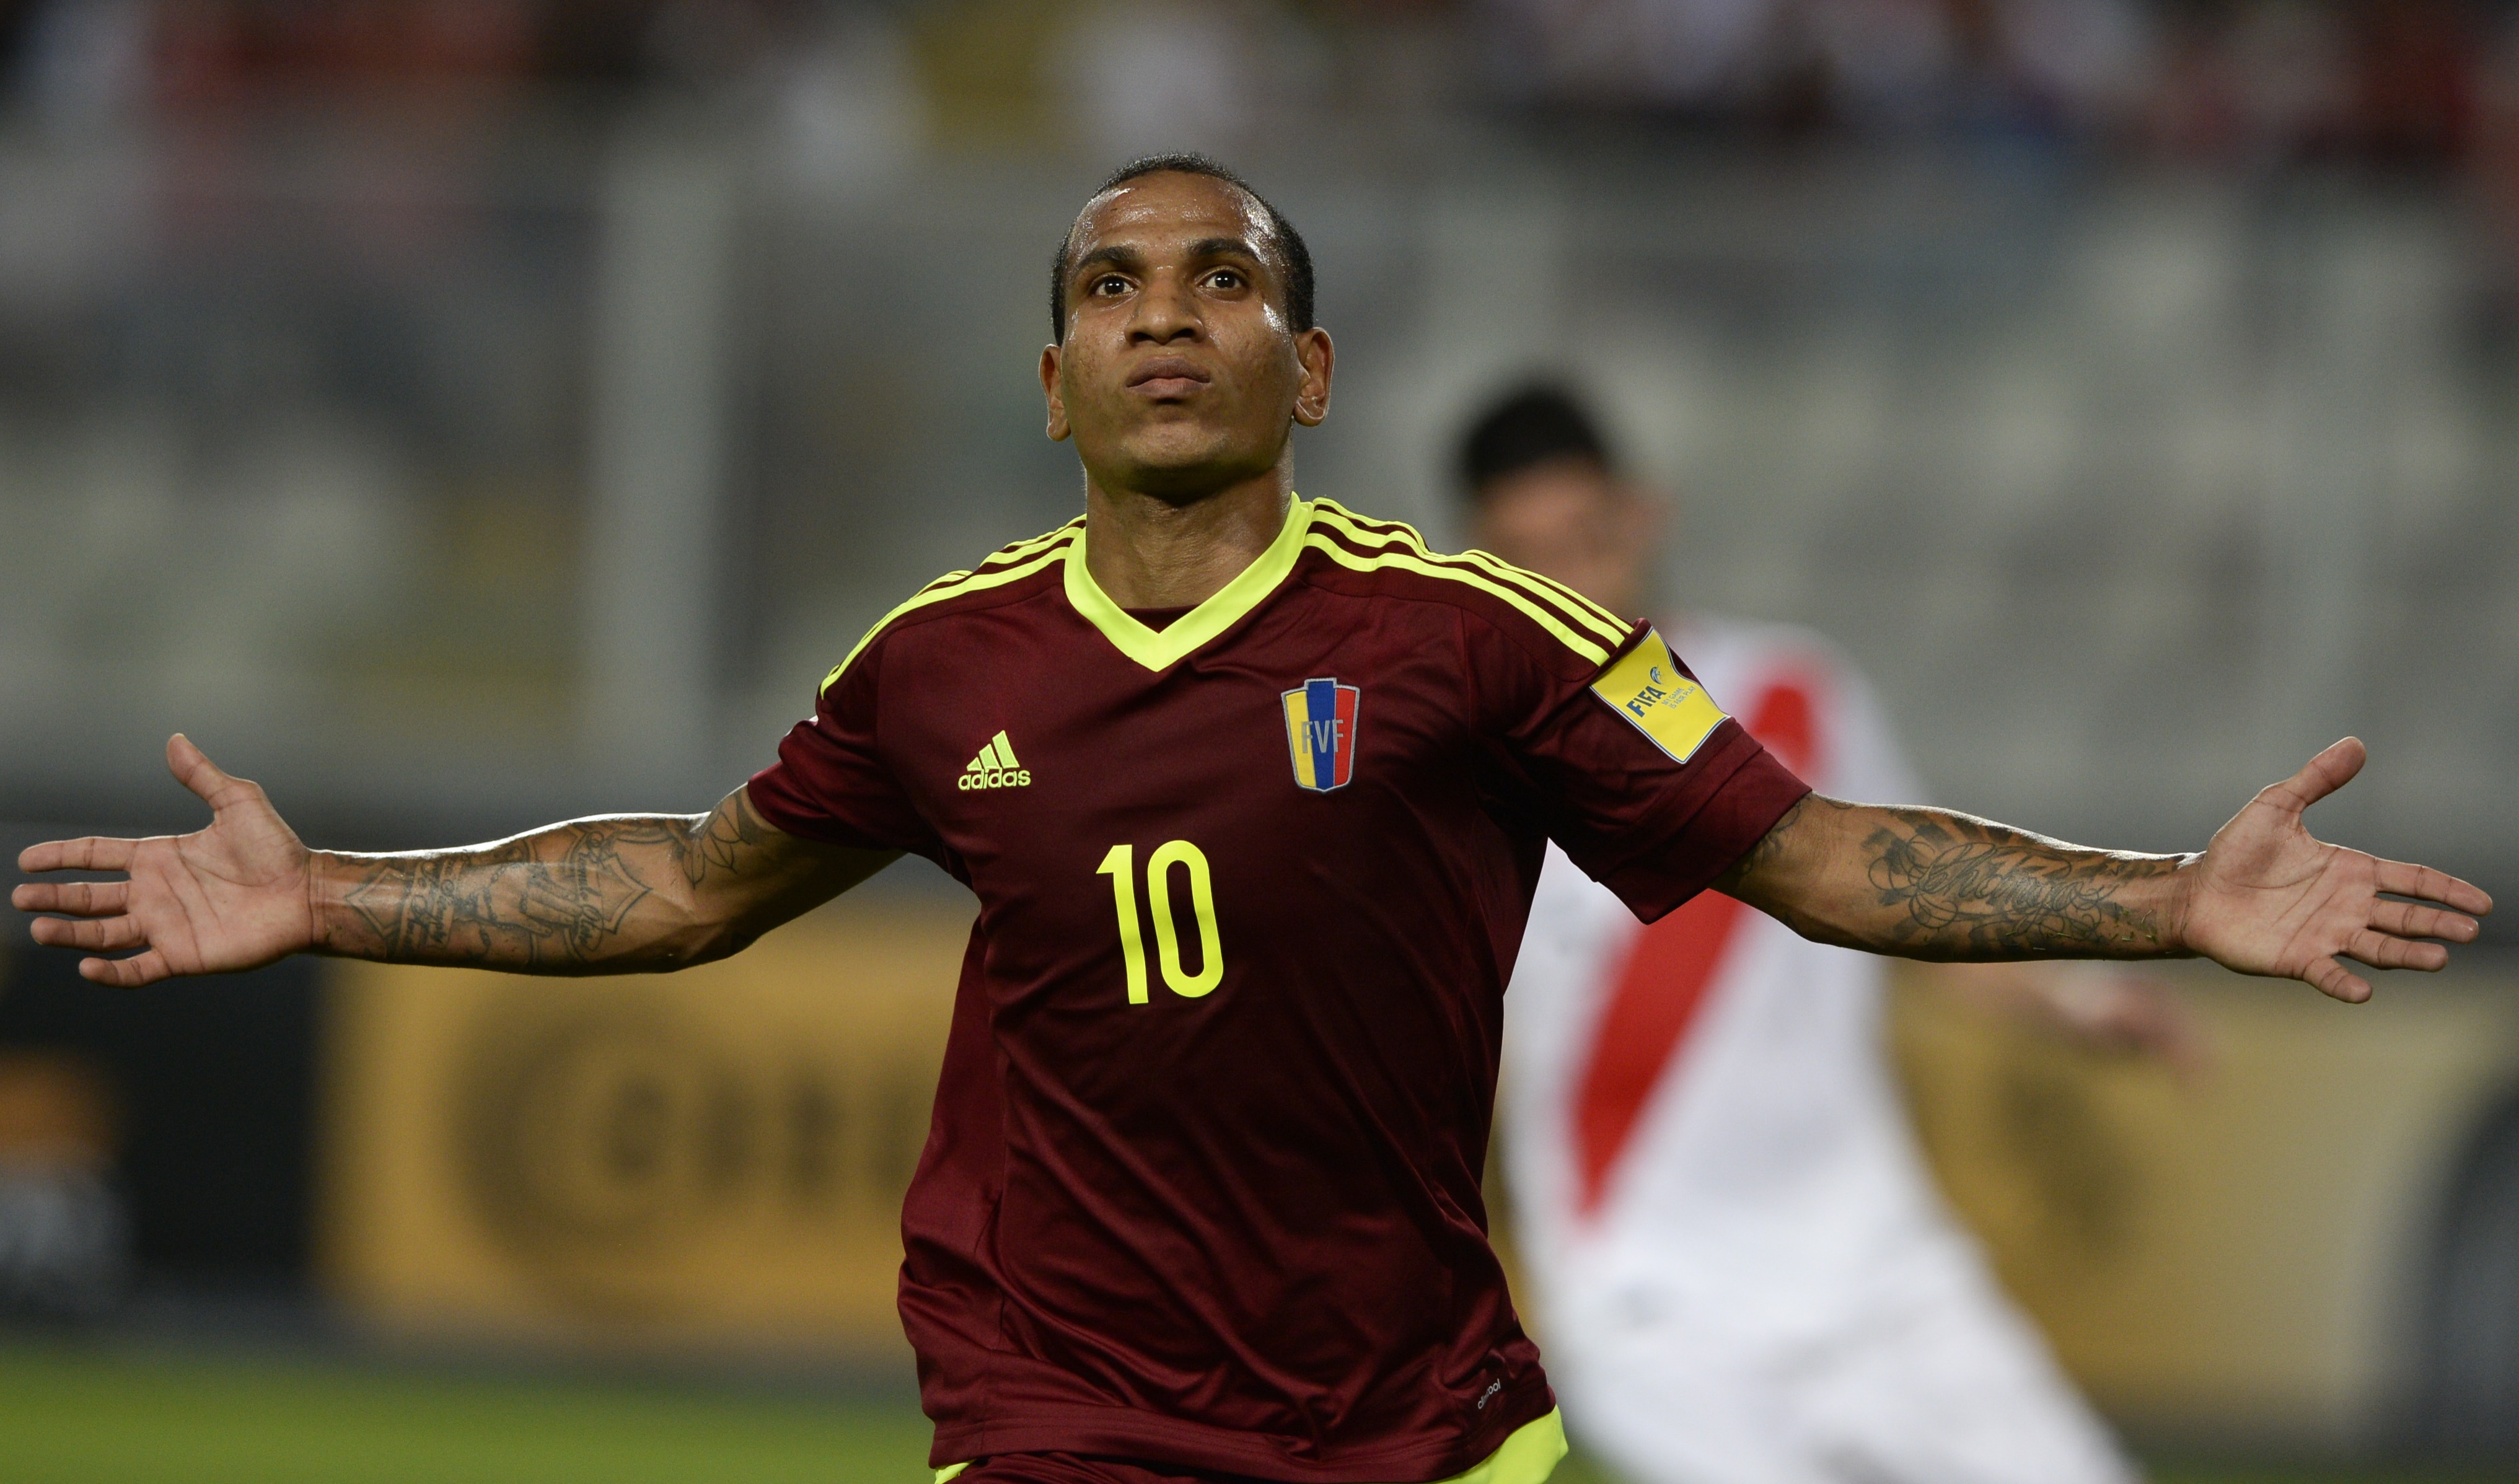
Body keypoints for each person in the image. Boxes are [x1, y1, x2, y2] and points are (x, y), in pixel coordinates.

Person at [12, 156, 2490, 1484]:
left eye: (1220, 275)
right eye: (1111, 280)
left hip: (1410, 1412)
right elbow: (682, 880)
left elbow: (1814, 854)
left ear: (1306, 364)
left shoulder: (1470, 637)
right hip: (1061, 1402)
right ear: (1054, 368)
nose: (1165, 308)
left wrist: (2167, 899)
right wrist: (325, 889)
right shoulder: (939, 659)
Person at [1464, 383, 2176, 1484]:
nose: (1573, 581)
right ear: (1484, 564)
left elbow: (1925, 914)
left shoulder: (1792, 693)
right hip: (1653, 1303)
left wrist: (2081, 995)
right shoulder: (1466, 778)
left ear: (1644, 514)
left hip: (1877, 1267)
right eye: (1531, 554)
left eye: (1586, 538)